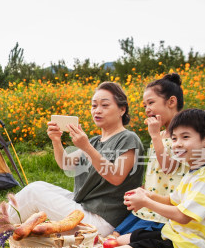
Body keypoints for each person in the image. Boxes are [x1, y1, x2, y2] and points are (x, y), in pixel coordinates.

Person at [8, 82, 144, 236]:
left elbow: (116, 177)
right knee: (38, 185)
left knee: (34, 192)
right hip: (84, 208)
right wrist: (56, 141)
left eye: (105, 105)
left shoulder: (128, 139)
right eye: (94, 106)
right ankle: (2, 228)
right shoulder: (95, 141)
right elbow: (65, 164)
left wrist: (86, 147)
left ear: (122, 109)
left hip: (103, 222)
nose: (97, 111)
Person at [108, 109, 205, 248]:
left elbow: (183, 216)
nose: (177, 144)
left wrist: (147, 202)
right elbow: (172, 201)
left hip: (195, 243)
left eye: (185, 137)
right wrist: (149, 195)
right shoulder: (195, 170)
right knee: (123, 240)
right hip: (179, 235)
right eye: (174, 138)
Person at [111, 73, 187, 235]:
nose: (147, 109)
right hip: (151, 202)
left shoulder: (183, 135)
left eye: (151, 103)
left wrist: (154, 135)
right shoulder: (159, 135)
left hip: (166, 208)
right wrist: (143, 189)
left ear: (171, 102)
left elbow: (168, 167)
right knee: (115, 235)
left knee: (126, 241)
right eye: (145, 105)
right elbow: (156, 170)